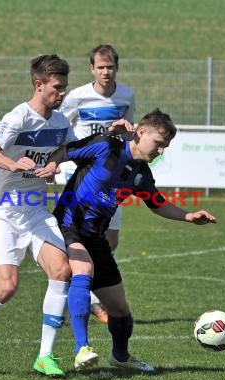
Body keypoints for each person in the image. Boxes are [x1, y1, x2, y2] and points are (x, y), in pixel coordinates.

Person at [0, 54, 99, 378]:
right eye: (57, 87)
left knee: (61, 270)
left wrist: (55, 164)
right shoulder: (19, 117)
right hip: (3, 210)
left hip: (35, 211)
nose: (62, 93)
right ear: (38, 85)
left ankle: (44, 356)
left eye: (64, 87)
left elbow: (70, 150)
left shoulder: (60, 122)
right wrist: (13, 164)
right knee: (6, 287)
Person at [36, 108, 217, 371]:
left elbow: (157, 204)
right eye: (159, 143)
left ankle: (120, 357)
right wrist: (53, 164)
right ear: (141, 132)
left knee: (120, 310)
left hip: (96, 238)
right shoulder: (105, 146)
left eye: (166, 147)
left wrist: (188, 216)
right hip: (68, 225)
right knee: (83, 270)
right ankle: (81, 349)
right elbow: (66, 151)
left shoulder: (141, 173)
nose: (161, 151)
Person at [60, 44, 136, 324]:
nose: (106, 71)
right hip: (80, 175)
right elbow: (63, 130)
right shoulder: (77, 97)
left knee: (110, 239)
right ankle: (89, 295)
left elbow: (128, 133)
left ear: (117, 67)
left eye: (110, 67)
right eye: (100, 67)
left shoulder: (127, 95)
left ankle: (83, 284)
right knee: (83, 236)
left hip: (111, 178)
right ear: (92, 68)